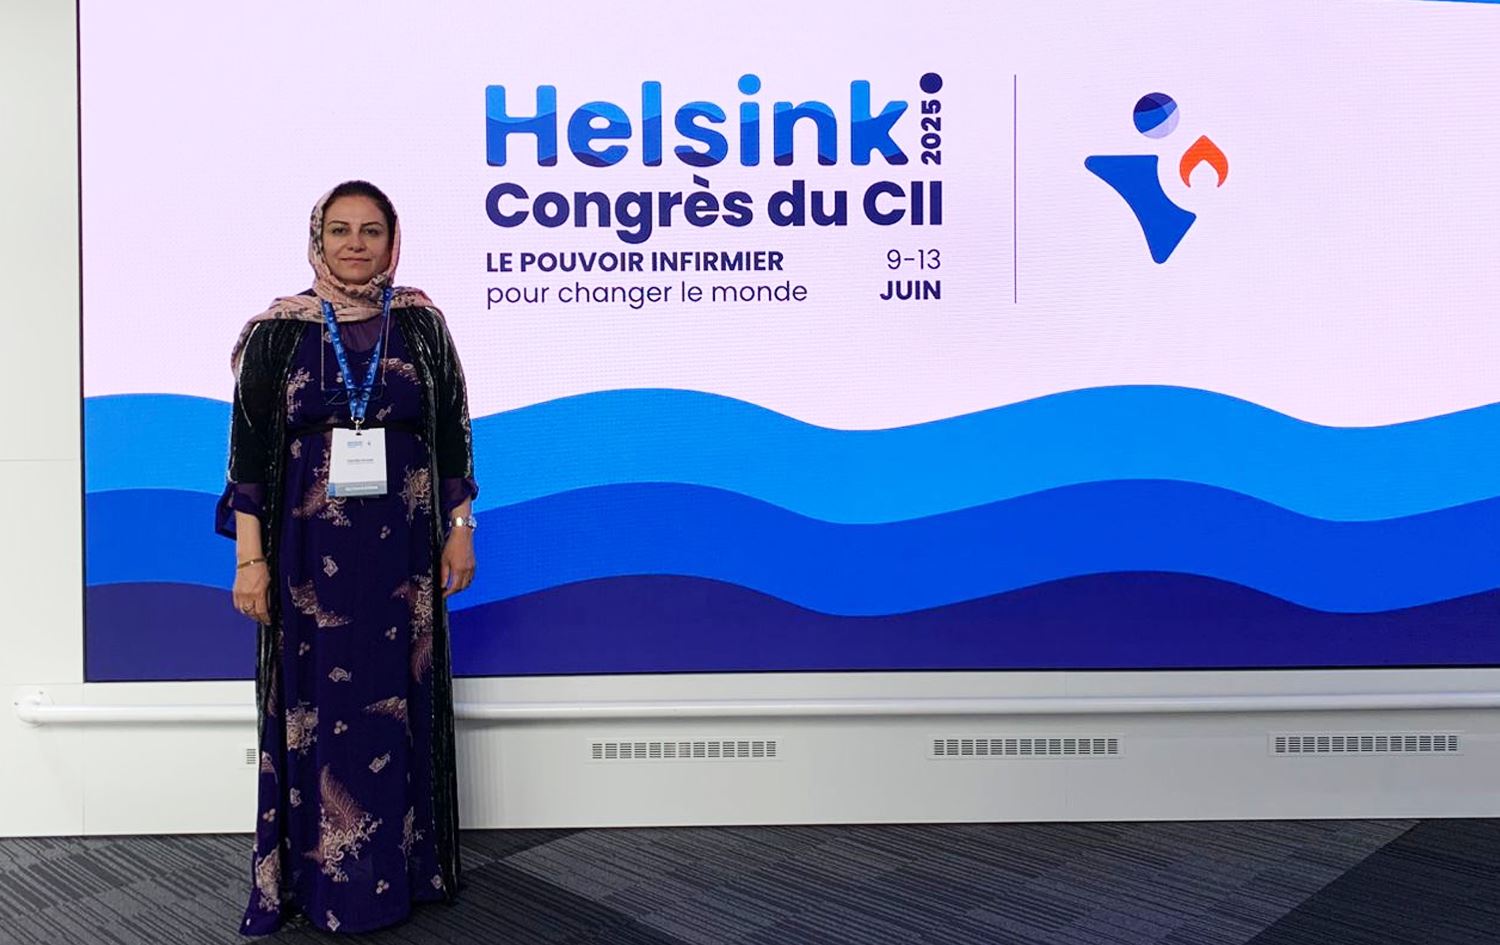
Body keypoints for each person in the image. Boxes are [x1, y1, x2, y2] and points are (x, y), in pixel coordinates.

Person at [217, 181, 478, 935]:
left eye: (371, 230)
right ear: (318, 239)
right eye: (340, 229)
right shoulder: (278, 331)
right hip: (308, 553)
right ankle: (316, 880)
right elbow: (247, 459)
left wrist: (460, 525)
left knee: (401, 700)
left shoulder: (422, 323)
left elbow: (452, 433)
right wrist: (249, 561)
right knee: (317, 711)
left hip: (403, 552)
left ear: (393, 241)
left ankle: (404, 870)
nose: (355, 244)